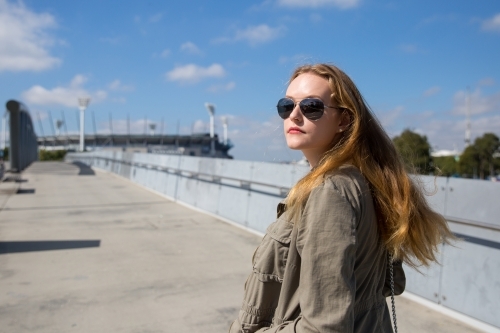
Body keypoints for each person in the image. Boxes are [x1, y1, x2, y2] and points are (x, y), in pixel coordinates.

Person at [229, 63, 454, 333]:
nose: (295, 115)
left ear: (344, 120)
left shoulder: (331, 192)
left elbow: (323, 327)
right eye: (286, 106)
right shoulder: (362, 180)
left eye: (312, 106)